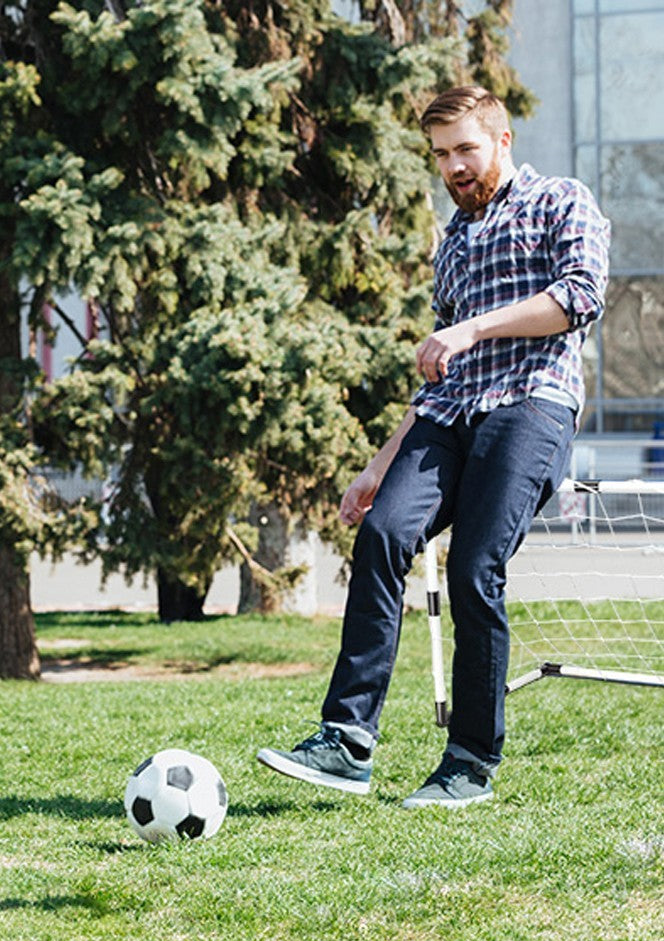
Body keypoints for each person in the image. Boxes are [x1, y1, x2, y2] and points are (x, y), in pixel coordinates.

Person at [257, 85, 611, 808]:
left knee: (475, 569)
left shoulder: (562, 201)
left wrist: (473, 328)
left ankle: (469, 763)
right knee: (384, 535)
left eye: (465, 149)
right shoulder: (452, 238)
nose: (452, 166)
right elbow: (442, 371)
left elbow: (579, 297)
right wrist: (378, 465)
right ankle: (347, 740)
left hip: (531, 406)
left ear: (503, 140)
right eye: (441, 154)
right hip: (449, 415)